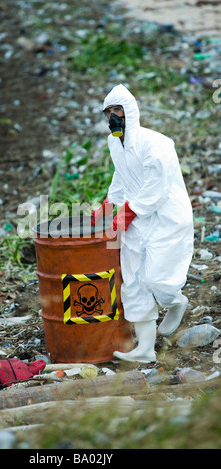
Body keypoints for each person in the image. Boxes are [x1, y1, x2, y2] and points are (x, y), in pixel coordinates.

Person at [91, 84, 194, 363]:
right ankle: (146, 350)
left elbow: (155, 187)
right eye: (108, 111)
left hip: (165, 219)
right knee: (133, 282)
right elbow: (121, 175)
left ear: (131, 111)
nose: (113, 116)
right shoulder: (115, 142)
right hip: (136, 221)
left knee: (158, 279)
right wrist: (109, 204)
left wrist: (127, 213)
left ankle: (176, 301)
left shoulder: (157, 144)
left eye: (118, 110)